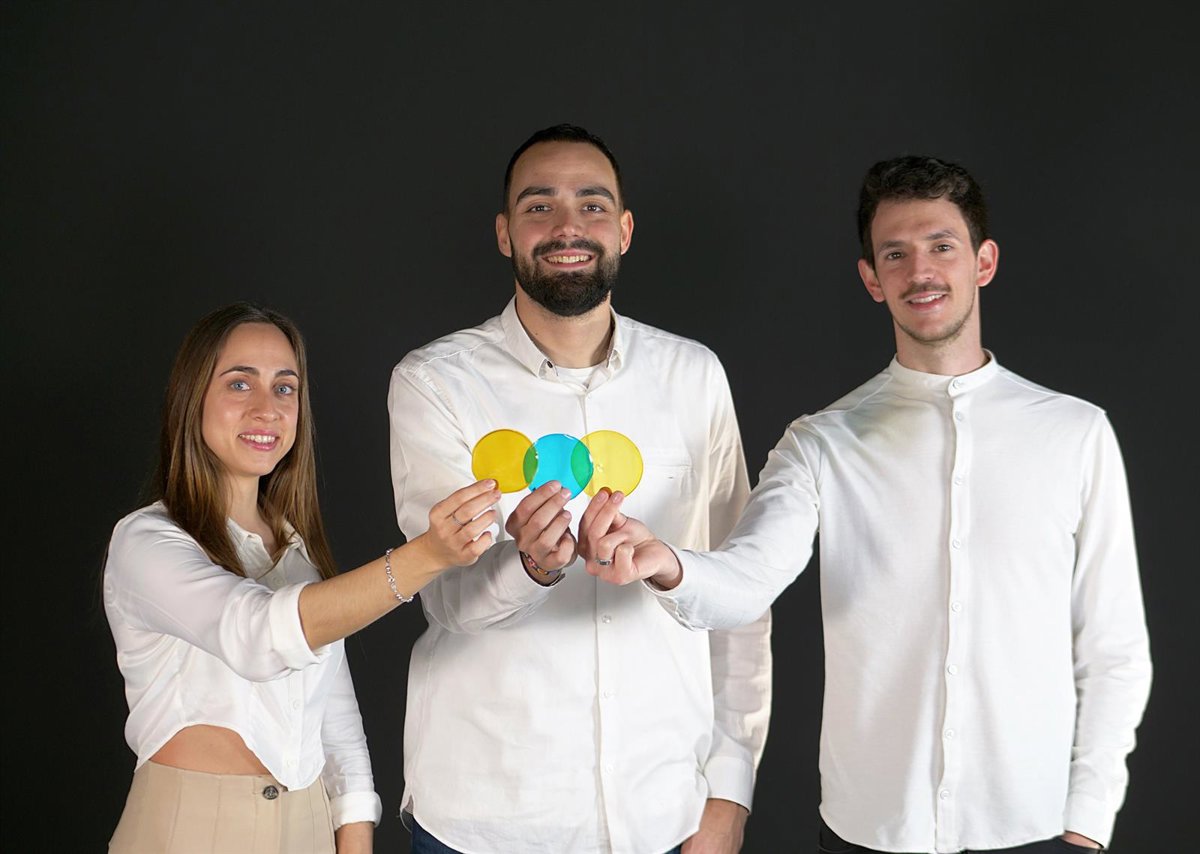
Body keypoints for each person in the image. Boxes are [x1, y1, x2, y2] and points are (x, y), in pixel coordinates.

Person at [579, 156, 1152, 852]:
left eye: (942, 246)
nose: (921, 271)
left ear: (984, 262)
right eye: (896, 254)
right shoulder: (823, 442)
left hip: (1036, 827)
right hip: (869, 832)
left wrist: (1088, 824)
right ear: (872, 279)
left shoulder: (1075, 433)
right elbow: (748, 578)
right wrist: (669, 564)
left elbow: (1114, 648)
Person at [387, 124, 772, 854]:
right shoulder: (436, 382)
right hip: (487, 819)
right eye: (539, 207)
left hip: (663, 813)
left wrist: (729, 791)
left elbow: (739, 593)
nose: (568, 227)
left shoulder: (693, 377)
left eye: (592, 205)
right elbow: (440, 598)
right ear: (505, 233)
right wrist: (529, 568)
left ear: (623, 229)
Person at [104, 302, 499, 854]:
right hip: (192, 827)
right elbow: (257, 635)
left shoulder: (295, 551)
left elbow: (334, 718)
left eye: (284, 388)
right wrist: (427, 556)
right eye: (240, 383)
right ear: (193, 397)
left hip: (309, 825)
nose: (267, 409)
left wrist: (354, 834)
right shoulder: (146, 543)